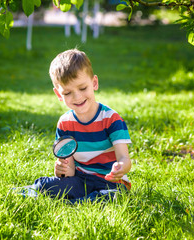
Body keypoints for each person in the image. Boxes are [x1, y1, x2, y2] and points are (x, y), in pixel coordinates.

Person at [30, 49, 132, 203]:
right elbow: (69, 171)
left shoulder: (111, 119)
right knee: (44, 185)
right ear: (59, 95)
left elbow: (124, 158)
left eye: (83, 88)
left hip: (110, 182)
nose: (77, 97)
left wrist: (120, 167)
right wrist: (61, 171)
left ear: (94, 83)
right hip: (81, 180)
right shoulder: (65, 123)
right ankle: (85, 200)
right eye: (67, 93)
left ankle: (81, 201)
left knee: (114, 195)